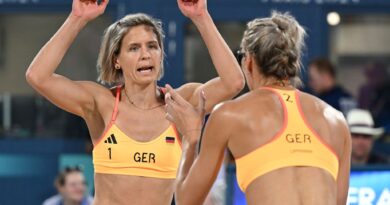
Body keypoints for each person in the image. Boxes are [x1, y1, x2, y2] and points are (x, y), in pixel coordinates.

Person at [26, 0, 244, 204]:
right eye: (134, 48)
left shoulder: (179, 102)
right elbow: (38, 76)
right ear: (117, 60)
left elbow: (233, 82)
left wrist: (201, 17)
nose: (145, 55)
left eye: (152, 46)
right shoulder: (103, 104)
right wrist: (77, 18)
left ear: (160, 54)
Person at [164, 11, 351, 205]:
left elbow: (186, 200)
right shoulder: (336, 120)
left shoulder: (228, 114)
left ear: (249, 61)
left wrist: (191, 137)